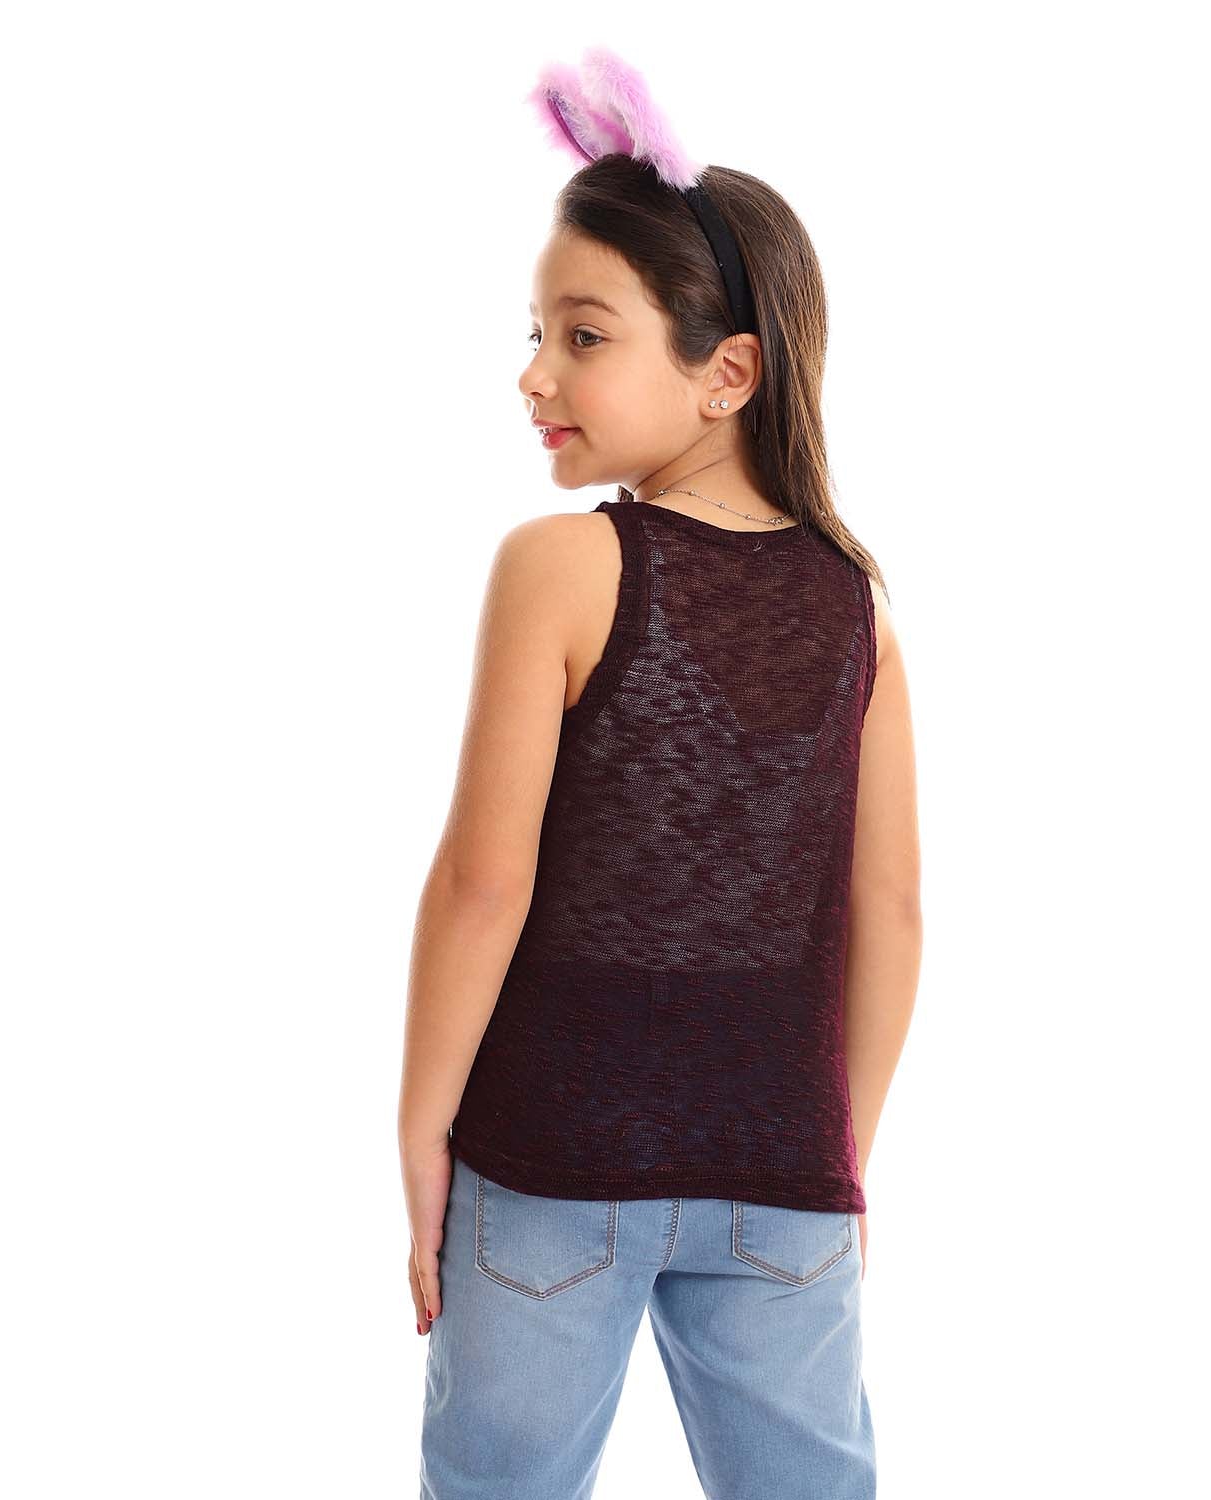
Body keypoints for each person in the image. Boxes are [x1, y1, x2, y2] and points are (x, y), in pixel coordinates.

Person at [398, 48, 921, 1500]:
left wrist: (423, 1130)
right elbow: (891, 912)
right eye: (536, 334)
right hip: (782, 1181)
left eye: (584, 337)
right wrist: (835, 1156)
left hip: (549, 1165)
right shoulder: (859, 607)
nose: (536, 374)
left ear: (726, 373)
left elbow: (484, 880)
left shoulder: (560, 567)